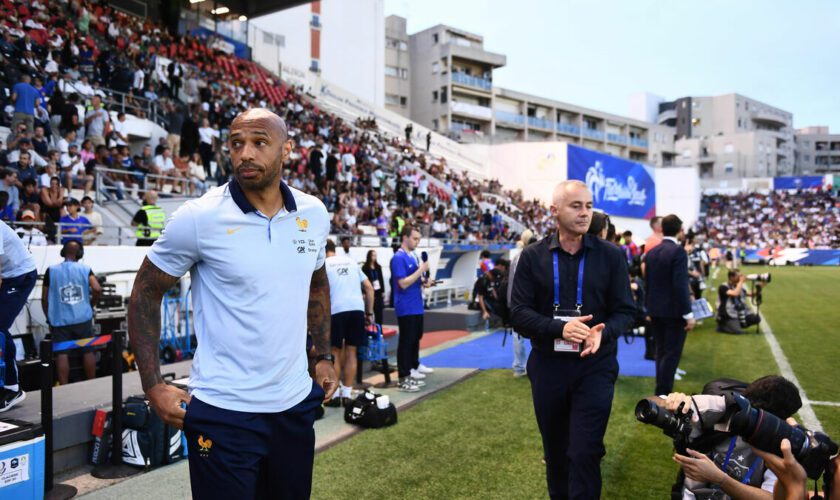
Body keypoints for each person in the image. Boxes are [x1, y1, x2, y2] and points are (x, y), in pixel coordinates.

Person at [128, 108, 336, 498]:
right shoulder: (200, 217)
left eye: (260, 143)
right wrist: (153, 384)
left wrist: (323, 354)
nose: (245, 154)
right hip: (223, 412)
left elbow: (317, 281)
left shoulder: (313, 212)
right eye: (237, 144)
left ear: (286, 149)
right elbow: (145, 292)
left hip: (293, 408)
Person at [509, 180, 635, 499]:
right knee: (556, 455)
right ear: (555, 211)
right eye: (576, 206)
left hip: (595, 365)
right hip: (548, 366)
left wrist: (604, 330)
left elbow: (626, 312)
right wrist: (558, 328)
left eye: (589, 207)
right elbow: (519, 313)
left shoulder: (610, 256)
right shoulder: (532, 257)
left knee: (585, 452)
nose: (584, 213)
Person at [664, 375, 802, 500]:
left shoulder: (782, 445)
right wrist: (673, 400)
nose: (788, 423)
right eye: (787, 416)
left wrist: (720, 479)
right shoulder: (724, 408)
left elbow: (772, 498)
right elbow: (654, 403)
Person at [644, 214, 695, 396]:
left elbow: (647, 283)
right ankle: (663, 392)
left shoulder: (651, 252)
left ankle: (661, 391)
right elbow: (680, 285)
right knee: (671, 354)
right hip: (673, 312)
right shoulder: (679, 252)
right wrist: (688, 314)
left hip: (655, 310)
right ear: (680, 230)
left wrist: (648, 308)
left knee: (661, 351)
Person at [41, 241, 101, 385]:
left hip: (60, 320)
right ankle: (91, 384)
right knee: (87, 351)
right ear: (79, 254)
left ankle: (64, 388)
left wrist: (49, 318)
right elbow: (97, 288)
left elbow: (44, 298)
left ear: (63, 252)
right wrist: (91, 305)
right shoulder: (85, 269)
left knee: (62, 353)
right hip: (83, 318)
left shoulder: (51, 270)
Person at [323, 239, 374, 406]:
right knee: (351, 351)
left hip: (336, 310)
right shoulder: (351, 262)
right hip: (356, 309)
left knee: (335, 353)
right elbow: (369, 288)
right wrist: (369, 312)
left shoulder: (323, 264)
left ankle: (335, 394)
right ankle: (346, 393)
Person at [391, 225, 434, 392]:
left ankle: (412, 367)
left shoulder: (413, 256)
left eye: (418, 239)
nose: (417, 242)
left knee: (415, 337)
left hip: (416, 304)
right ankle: (404, 374)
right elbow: (403, 283)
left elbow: (414, 279)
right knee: (406, 340)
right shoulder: (398, 258)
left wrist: (424, 280)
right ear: (405, 237)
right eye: (415, 238)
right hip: (406, 305)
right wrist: (421, 270)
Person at [0, 220, 37, 411]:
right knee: (1, 328)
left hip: (21, 277)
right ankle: (10, 385)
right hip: (9, 277)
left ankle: (9, 387)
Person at [507, 229, 536, 377]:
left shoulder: (517, 257)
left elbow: (511, 282)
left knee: (517, 336)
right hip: (526, 301)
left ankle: (519, 367)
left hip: (516, 301)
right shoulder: (529, 257)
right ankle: (522, 366)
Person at [716, 269, 762, 334]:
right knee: (738, 331)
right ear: (731, 277)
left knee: (756, 318)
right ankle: (722, 326)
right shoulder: (723, 287)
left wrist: (761, 285)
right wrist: (741, 282)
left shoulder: (737, 286)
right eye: (738, 276)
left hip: (737, 313)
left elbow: (750, 294)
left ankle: (735, 325)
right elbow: (735, 293)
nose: (740, 277)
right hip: (727, 315)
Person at [362, 249, 386, 326]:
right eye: (373, 255)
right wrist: (364, 292)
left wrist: (383, 291)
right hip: (369, 292)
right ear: (369, 256)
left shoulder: (378, 267)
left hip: (378, 292)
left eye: (375, 255)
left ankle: (379, 329)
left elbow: (381, 279)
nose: (374, 257)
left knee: (379, 313)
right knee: (369, 312)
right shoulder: (365, 268)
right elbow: (363, 281)